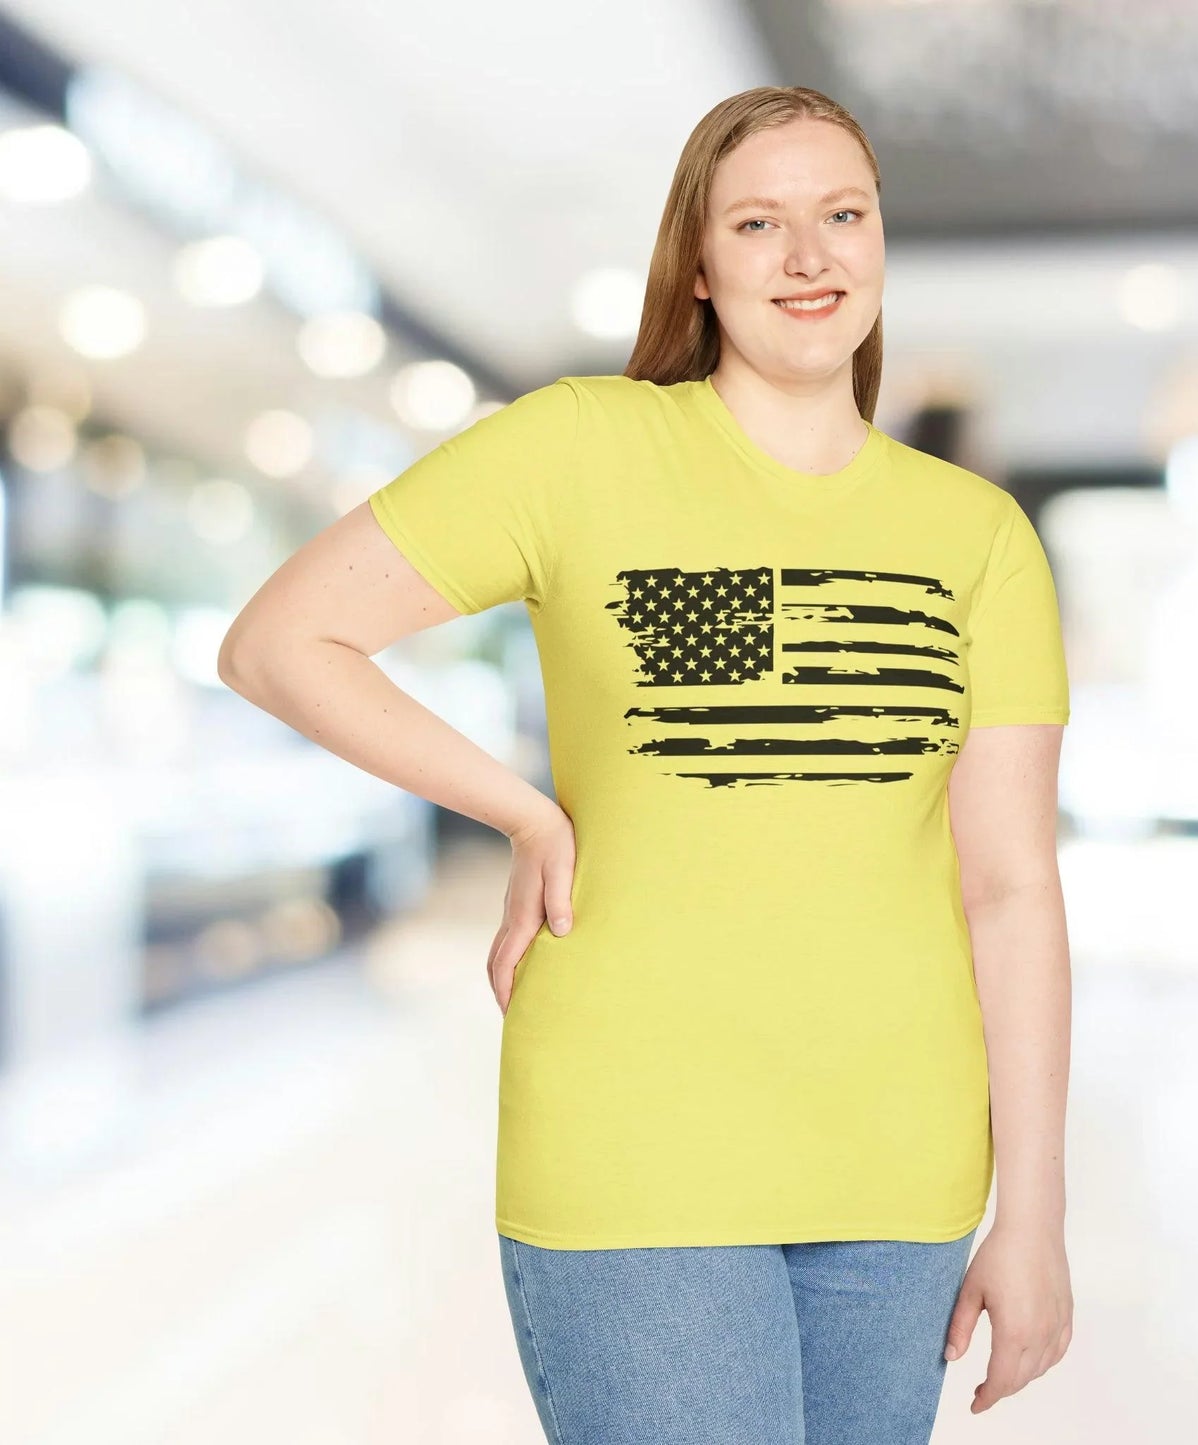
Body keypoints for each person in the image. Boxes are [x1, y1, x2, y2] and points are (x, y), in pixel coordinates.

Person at [219, 83, 1073, 1443]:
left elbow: (1010, 888)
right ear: (700, 265)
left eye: (843, 214)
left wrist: (1034, 1213)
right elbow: (281, 641)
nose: (808, 255)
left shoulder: (976, 537)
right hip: (635, 1146)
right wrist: (522, 812)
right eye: (759, 222)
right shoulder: (582, 448)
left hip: (899, 1167)